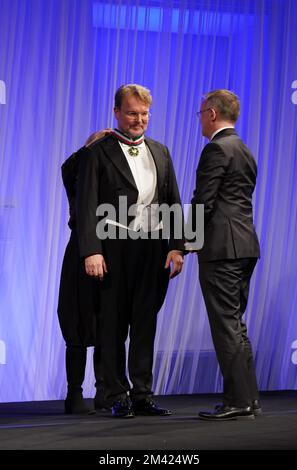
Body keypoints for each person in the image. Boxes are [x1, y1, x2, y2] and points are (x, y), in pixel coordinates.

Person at [76, 84, 185, 418]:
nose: (140, 120)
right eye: (133, 113)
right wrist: (91, 251)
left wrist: (178, 247)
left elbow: (173, 201)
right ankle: (114, 394)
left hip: (152, 247)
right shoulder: (98, 152)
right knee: (111, 324)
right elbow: (86, 204)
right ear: (117, 113)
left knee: (144, 322)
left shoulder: (161, 151)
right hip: (113, 245)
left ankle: (141, 394)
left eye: (145, 114)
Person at [191, 89, 261, 421]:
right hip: (245, 246)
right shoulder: (244, 149)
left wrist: (182, 241)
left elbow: (203, 203)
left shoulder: (216, 149)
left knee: (226, 326)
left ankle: (238, 401)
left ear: (212, 113)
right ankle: (249, 398)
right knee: (235, 324)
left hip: (222, 249)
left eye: (201, 112)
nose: (200, 119)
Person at [58, 148, 107, 414]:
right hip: (80, 249)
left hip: (111, 249)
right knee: (75, 317)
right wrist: (91, 146)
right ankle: (74, 393)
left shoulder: (111, 177)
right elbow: (68, 169)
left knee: (108, 319)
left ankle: (104, 390)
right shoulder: (78, 176)